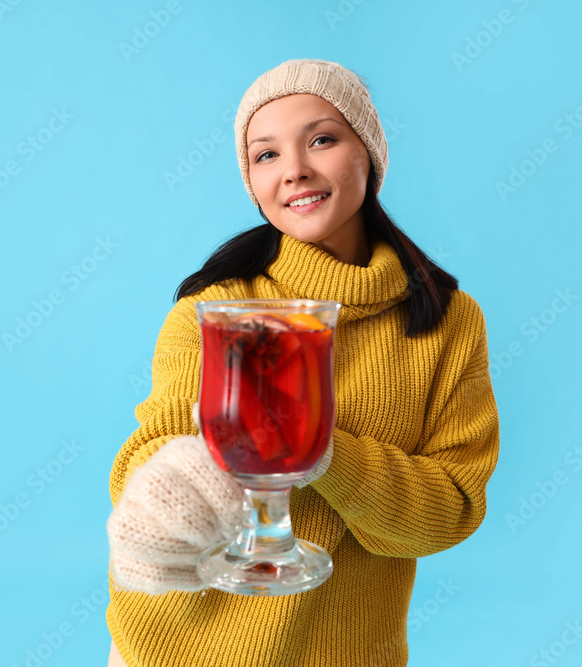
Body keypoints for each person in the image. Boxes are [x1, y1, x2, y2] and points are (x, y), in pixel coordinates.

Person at [106, 58, 500, 667]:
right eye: (266, 155)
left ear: (367, 153)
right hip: (179, 648)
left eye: (321, 139)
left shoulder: (448, 321)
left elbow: (449, 511)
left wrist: (319, 448)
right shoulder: (214, 309)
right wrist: (162, 492)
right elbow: (151, 451)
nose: (294, 170)